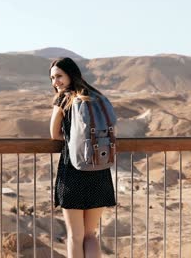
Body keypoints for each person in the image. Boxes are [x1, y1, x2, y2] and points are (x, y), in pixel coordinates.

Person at [49, 57, 116, 258]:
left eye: (59, 76)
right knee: (90, 235)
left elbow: (54, 133)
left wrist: (72, 140)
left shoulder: (64, 99)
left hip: (72, 170)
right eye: (52, 78)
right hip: (99, 168)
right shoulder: (98, 97)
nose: (56, 82)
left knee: (75, 236)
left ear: (71, 73)